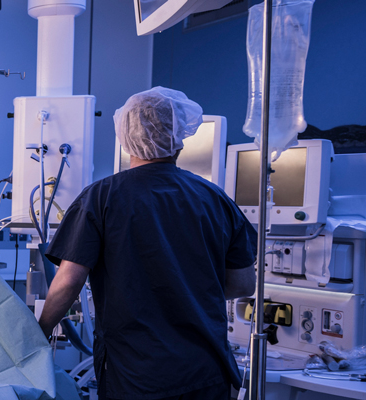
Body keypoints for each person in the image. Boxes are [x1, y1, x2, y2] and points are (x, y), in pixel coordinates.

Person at [37, 87, 257, 400]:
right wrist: (184, 290)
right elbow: (243, 284)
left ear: (125, 136)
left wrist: (41, 330)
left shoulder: (101, 198)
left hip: (137, 375)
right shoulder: (215, 199)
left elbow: (68, 281)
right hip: (205, 373)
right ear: (180, 135)